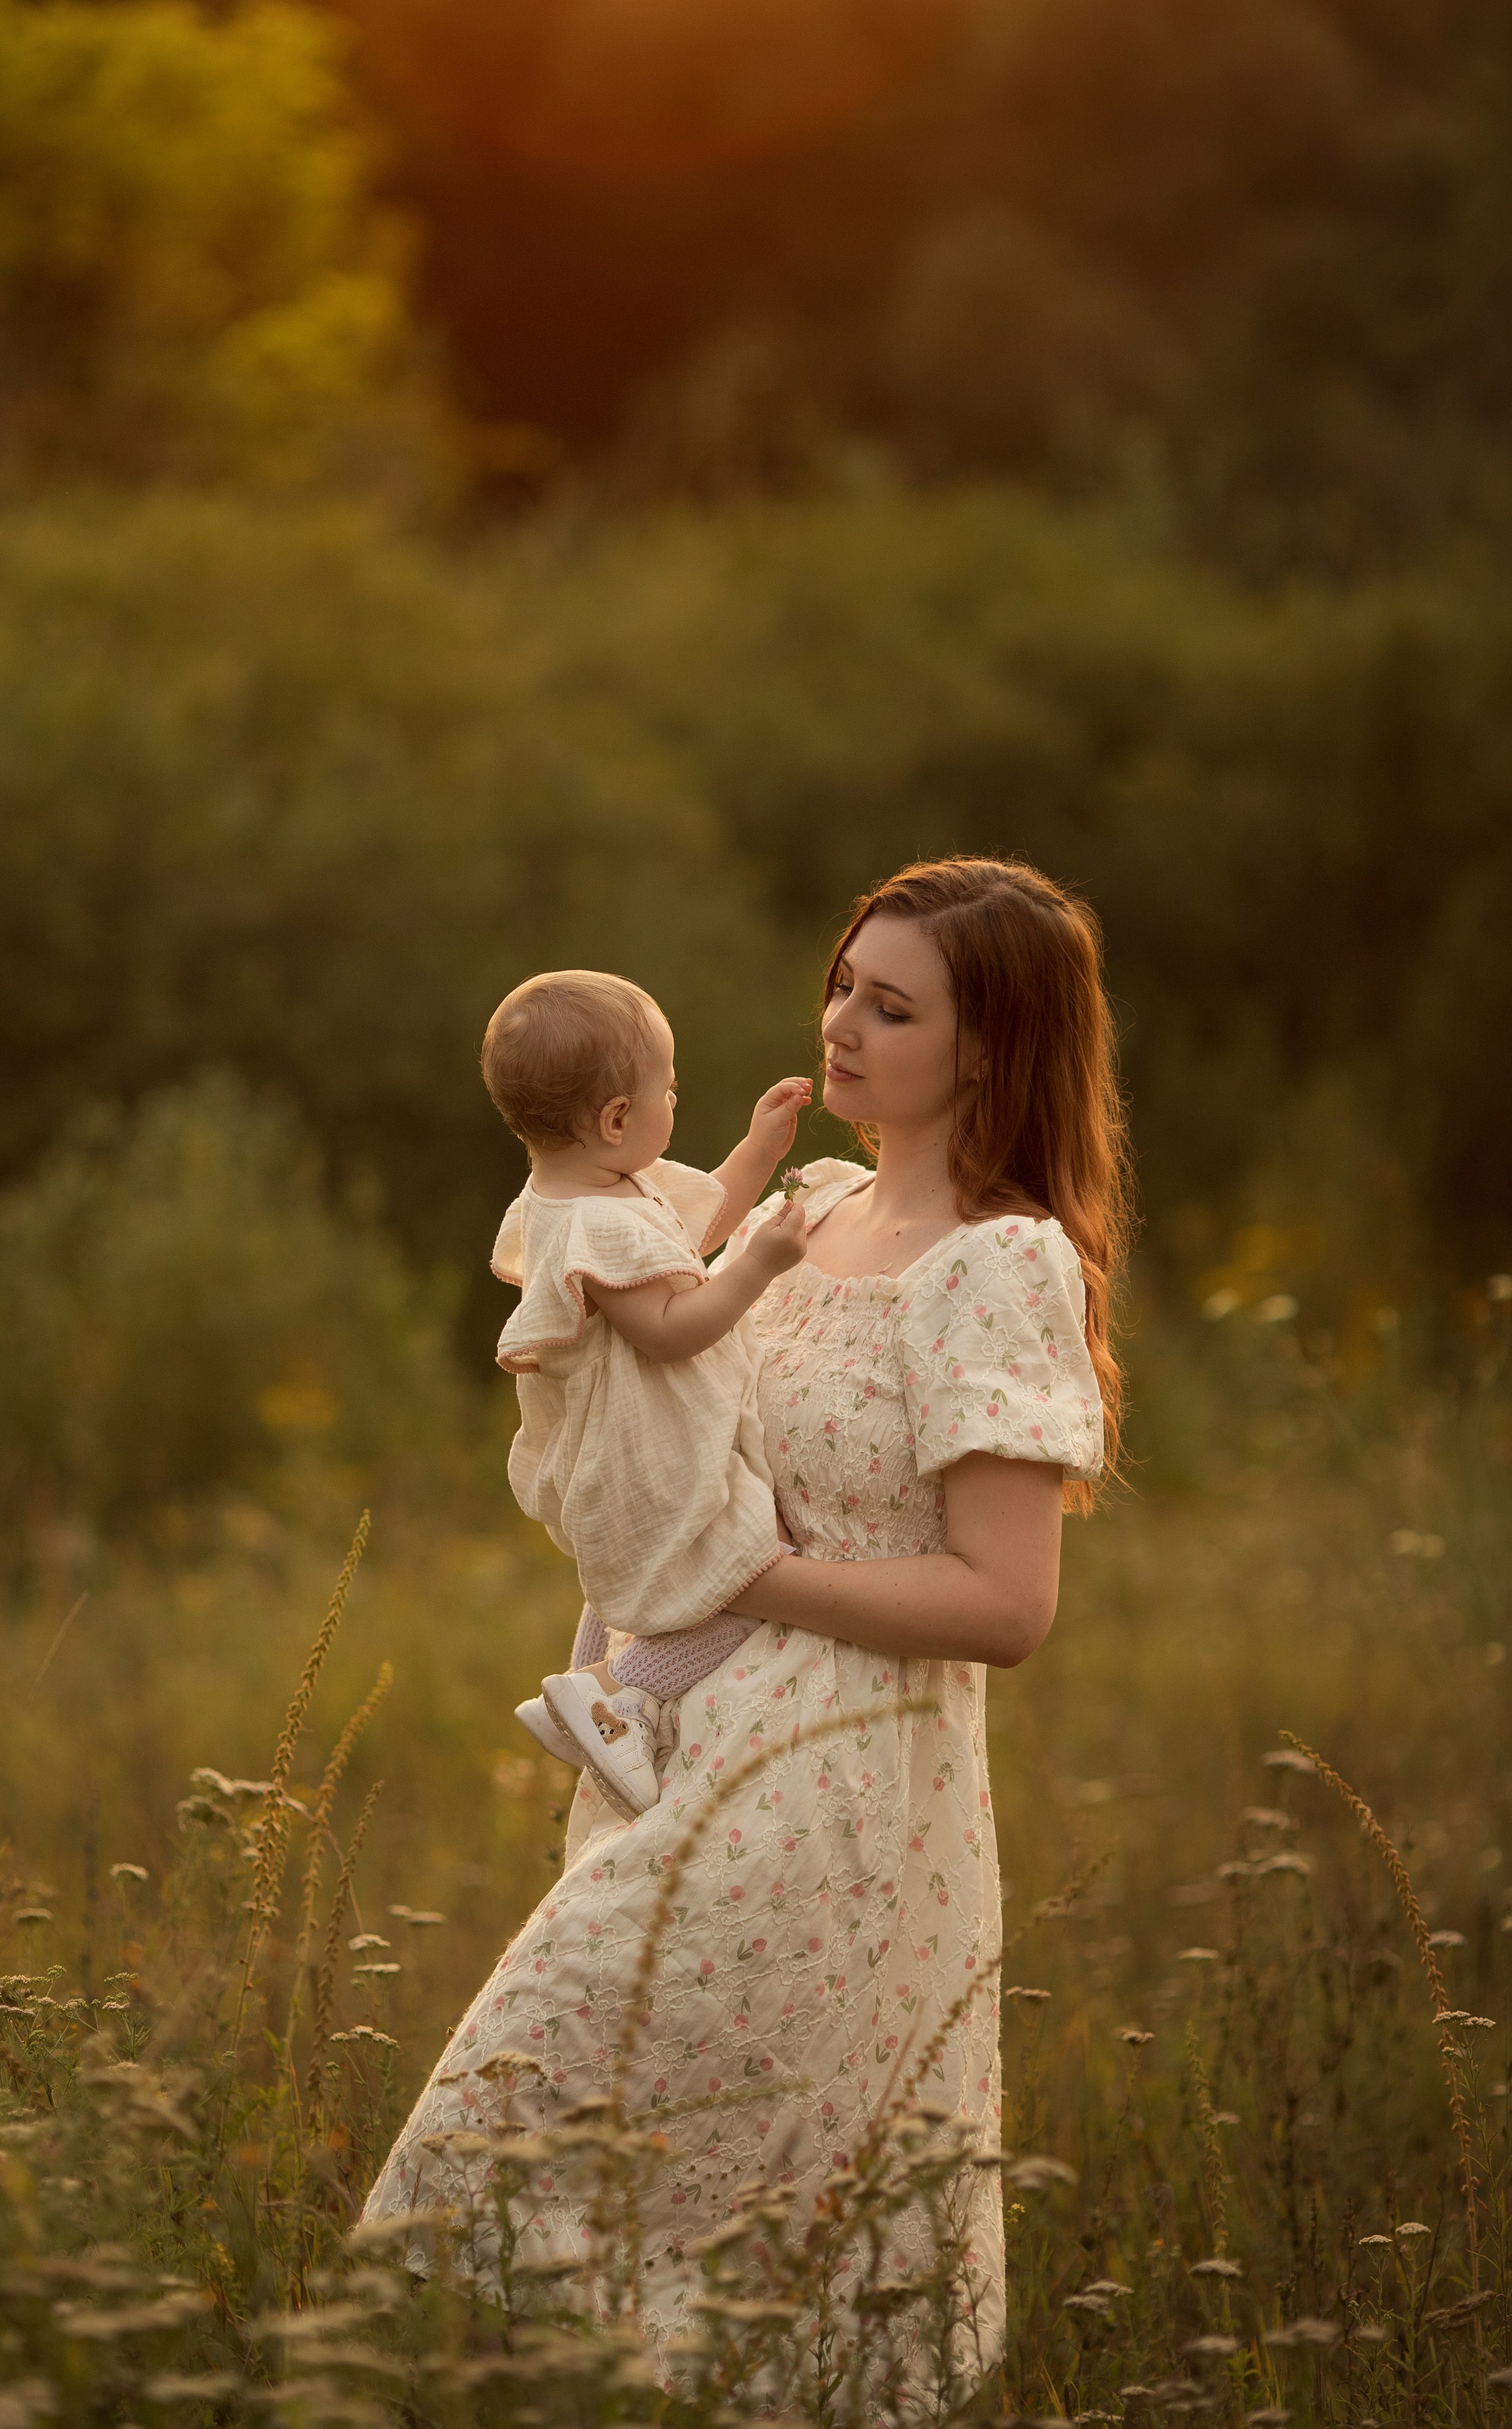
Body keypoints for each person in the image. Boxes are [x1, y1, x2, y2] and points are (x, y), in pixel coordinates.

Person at [357, 857, 1130, 2395]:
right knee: (623, 2203)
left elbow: (1004, 1600)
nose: (839, 1021)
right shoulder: (809, 1203)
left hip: (840, 1786)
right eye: (843, 981)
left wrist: (752, 1578)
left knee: (545, 2115)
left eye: (889, 1004)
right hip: (679, 1738)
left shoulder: (998, 1259)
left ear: (987, 1047)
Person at [481, 968, 812, 1816]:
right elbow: (671, 1327)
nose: (675, 1099)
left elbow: (686, 1229)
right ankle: (615, 1699)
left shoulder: (583, 1189)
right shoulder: (596, 1223)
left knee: (633, 1579)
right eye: (666, 1088)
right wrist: (758, 1265)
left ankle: (587, 1680)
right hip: (649, 1450)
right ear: (615, 1119)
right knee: (730, 1580)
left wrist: (758, 1152)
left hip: (623, 1446)